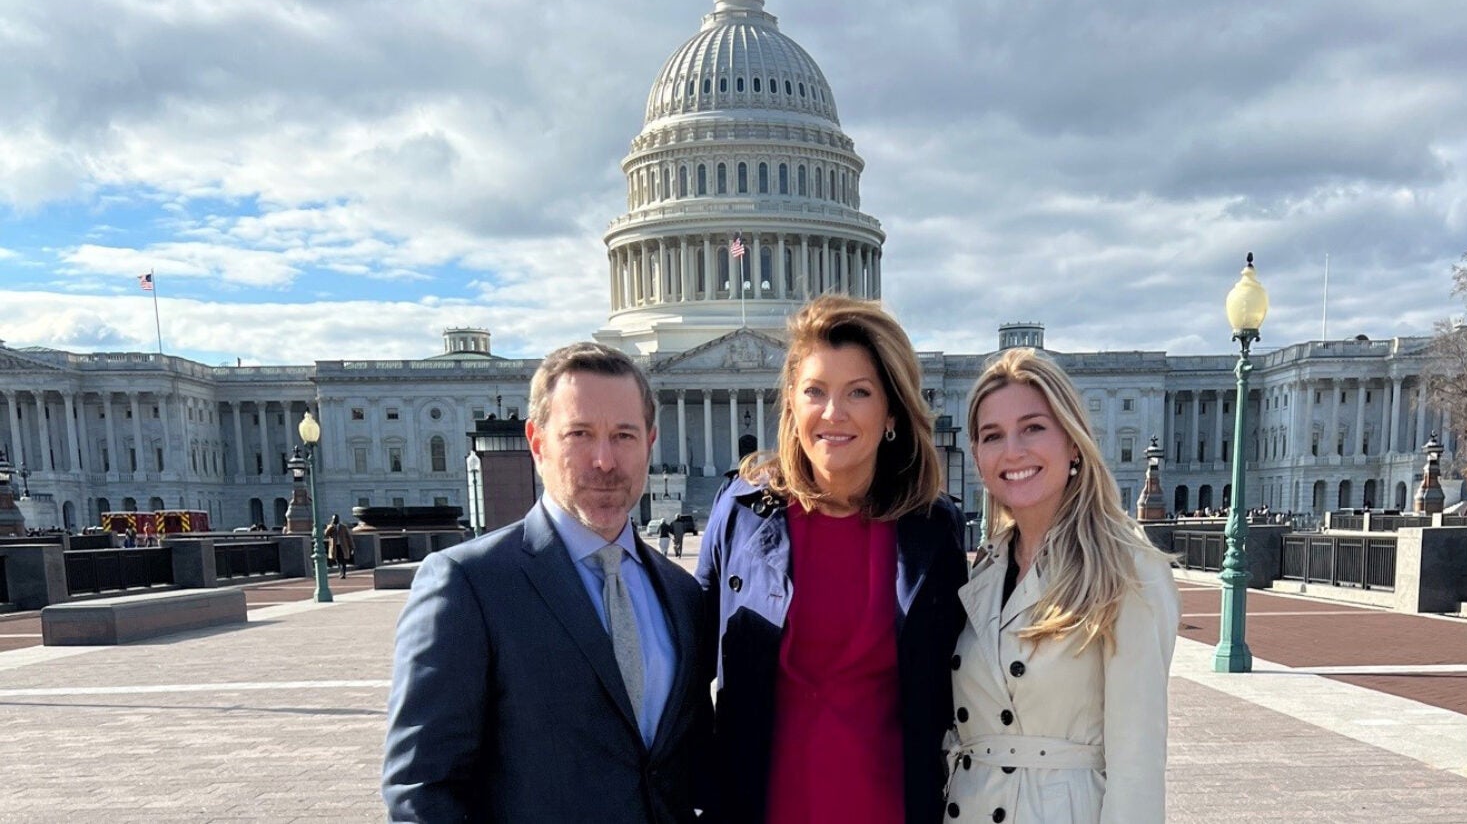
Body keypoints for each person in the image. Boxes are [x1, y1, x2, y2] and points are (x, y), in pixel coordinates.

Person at [383, 342, 711, 822]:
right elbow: (421, 788)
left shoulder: (681, 595)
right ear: (537, 444)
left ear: (650, 442)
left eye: (623, 435)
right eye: (580, 434)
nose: (605, 461)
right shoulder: (468, 584)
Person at [697, 296, 969, 824]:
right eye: (815, 391)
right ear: (792, 403)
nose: (833, 413)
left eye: (858, 392)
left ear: (891, 412)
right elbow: (691, 670)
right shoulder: (741, 512)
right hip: (761, 807)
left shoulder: (933, 528)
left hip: (891, 807)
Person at [944, 348, 1179, 823]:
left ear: (1072, 441)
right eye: (993, 436)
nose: (1013, 450)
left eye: (1033, 428)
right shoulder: (985, 568)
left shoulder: (1126, 568)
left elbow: (1137, 764)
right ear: (978, 459)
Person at [325, 514, 355, 578]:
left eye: (336, 519)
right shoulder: (330, 527)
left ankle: (343, 573)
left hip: (342, 546)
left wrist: (352, 546)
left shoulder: (343, 527)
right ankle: (340, 572)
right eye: (333, 519)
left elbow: (348, 537)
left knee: (343, 560)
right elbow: (326, 534)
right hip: (335, 547)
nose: (335, 520)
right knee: (337, 560)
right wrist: (330, 527)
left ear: (338, 519)